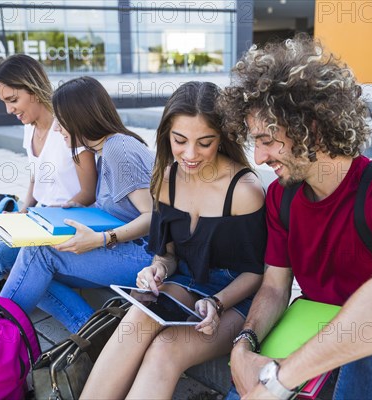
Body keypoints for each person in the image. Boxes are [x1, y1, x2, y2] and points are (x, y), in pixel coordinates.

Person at [218, 34, 372, 399]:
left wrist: (282, 378)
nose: (258, 158)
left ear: (312, 126)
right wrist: (244, 345)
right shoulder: (280, 197)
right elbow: (274, 287)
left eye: (268, 139)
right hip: (312, 326)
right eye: (254, 141)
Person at [81, 81, 267, 399]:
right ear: (167, 134)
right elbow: (166, 255)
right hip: (186, 282)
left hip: (234, 299)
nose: (190, 155)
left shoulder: (245, 191)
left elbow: (257, 273)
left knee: (166, 349)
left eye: (205, 143)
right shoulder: (167, 179)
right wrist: (157, 271)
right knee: (137, 316)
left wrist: (217, 302)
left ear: (221, 137)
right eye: (180, 140)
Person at [0, 76, 154, 333]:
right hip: (126, 248)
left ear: (79, 117)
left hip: (146, 256)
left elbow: (152, 217)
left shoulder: (118, 149)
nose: (57, 129)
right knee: (35, 269)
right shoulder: (103, 151)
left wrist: (101, 239)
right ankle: (91, 331)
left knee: (39, 251)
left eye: (61, 120)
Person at [0, 54, 97, 288]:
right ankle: (9, 274)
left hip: (60, 225)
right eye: (4, 102)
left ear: (33, 90)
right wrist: (23, 212)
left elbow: (89, 193)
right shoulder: (30, 128)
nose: (8, 110)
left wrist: (43, 217)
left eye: (12, 99)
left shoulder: (68, 127)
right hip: (34, 219)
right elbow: (36, 177)